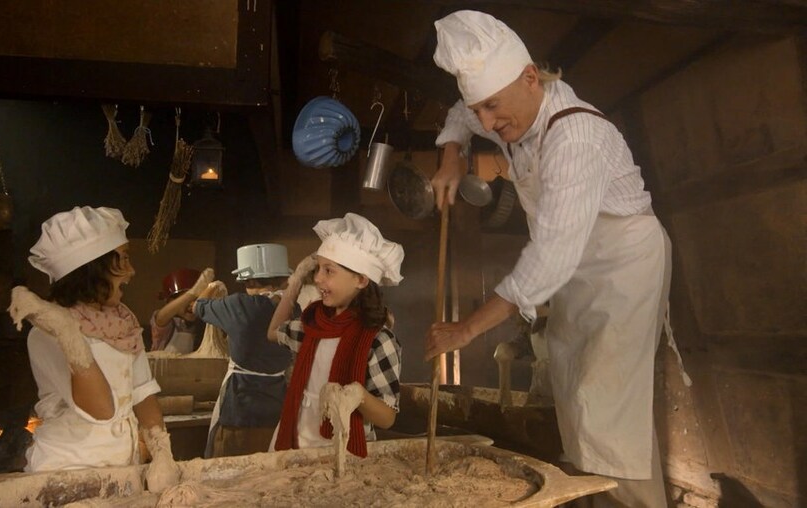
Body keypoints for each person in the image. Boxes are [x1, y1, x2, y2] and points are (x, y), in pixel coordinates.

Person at [424, 11, 672, 507]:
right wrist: (451, 156)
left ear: (530, 77)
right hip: (577, 268)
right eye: (483, 110)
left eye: (493, 107)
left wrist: (468, 329)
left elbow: (550, 258)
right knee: (578, 397)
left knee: (605, 406)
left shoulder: (575, 138)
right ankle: (603, 498)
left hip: (622, 265)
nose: (489, 123)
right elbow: (460, 114)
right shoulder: (507, 106)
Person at [7, 206, 183, 494]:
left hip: (122, 468)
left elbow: (143, 393)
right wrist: (67, 332)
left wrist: (162, 453)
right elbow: (101, 410)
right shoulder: (46, 334)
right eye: (123, 260)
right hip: (67, 473)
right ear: (93, 269)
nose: (131, 271)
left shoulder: (122, 324)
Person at [265, 213, 404, 458]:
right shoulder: (313, 326)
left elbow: (387, 418)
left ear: (361, 279)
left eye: (329, 270)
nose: (317, 278)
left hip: (342, 452)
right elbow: (273, 332)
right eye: (318, 268)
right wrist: (295, 281)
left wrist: (358, 395)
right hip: (292, 442)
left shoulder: (378, 340)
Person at [177, 244, 293, 458]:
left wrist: (210, 286)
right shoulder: (295, 309)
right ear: (284, 278)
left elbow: (196, 306)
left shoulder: (238, 305)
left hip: (240, 409)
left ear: (248, 280)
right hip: (278, 410)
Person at [150, 268, 206, 353]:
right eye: (185, 300)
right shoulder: (167, 324)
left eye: (196, 299)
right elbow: (161, 317)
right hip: (164, 366)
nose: (191, 305)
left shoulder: (202, 325)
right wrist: (193, 292)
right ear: (169, 302)